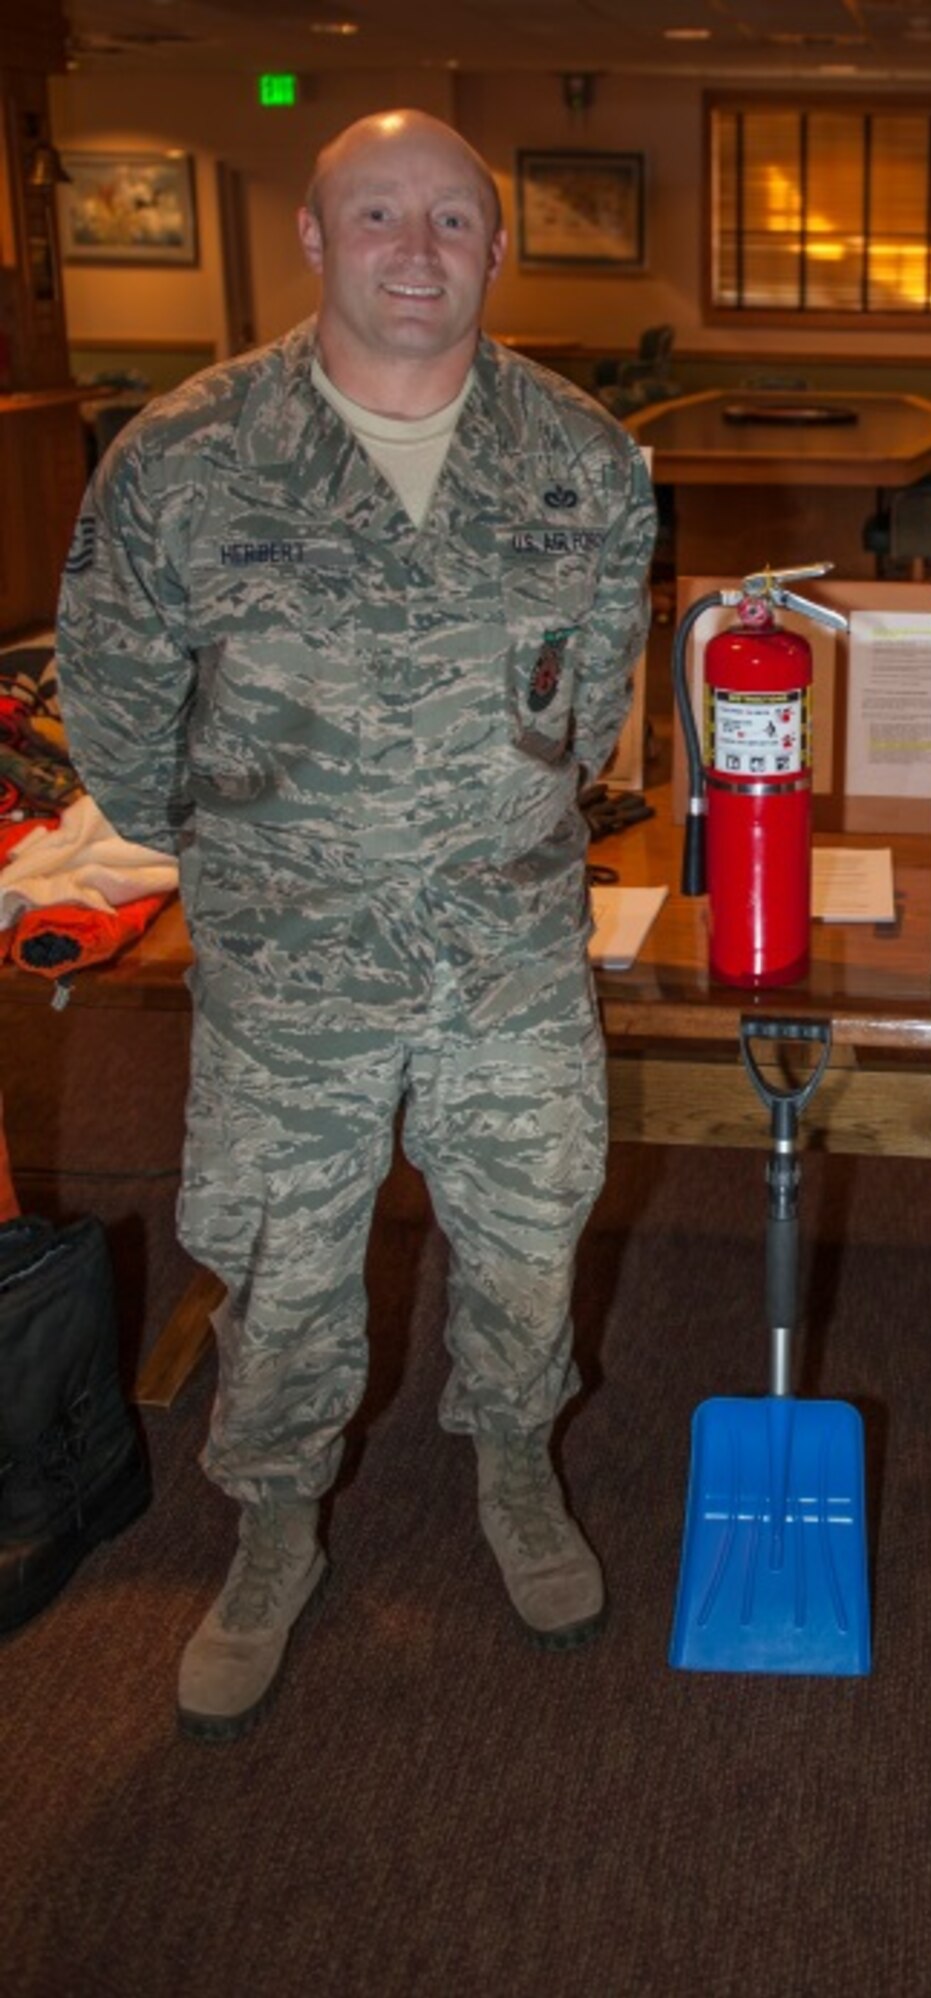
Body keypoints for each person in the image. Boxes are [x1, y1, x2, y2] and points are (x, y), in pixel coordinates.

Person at [56, 110, 657, 1740]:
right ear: (312, 240)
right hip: (285, 968)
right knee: (283, 1265)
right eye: (377, 214)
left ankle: (518, 1466)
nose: (416, 249)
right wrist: (267, 855)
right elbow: (114, 725)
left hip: (507, 955)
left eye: (452, 219)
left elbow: (590, 711)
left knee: (531, 1244)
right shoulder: (185, 457)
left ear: (495, 247)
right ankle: (270, 1527)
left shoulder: (584, 460)